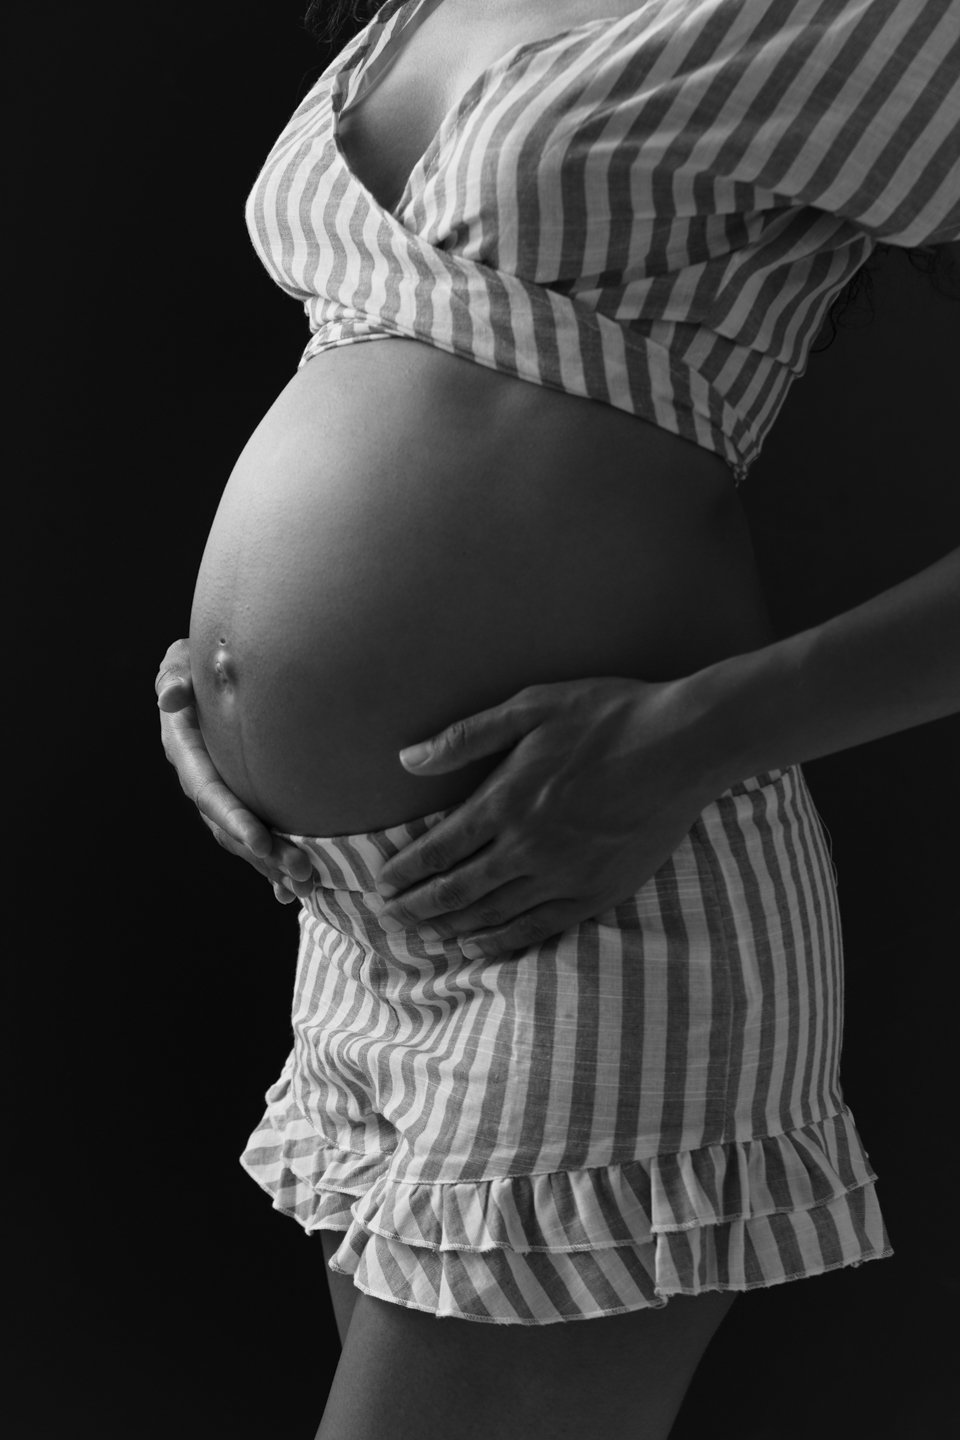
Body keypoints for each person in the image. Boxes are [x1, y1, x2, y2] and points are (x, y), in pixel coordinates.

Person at [156, 2, 960, 1436]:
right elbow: (398, 366)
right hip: (359, 923)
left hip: (603, 899)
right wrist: (214, 681)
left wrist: (691, 740)